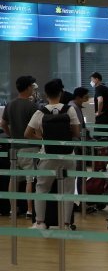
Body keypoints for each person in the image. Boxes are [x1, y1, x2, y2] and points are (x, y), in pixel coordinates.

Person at [25, 79, 81, 229]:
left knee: (42, 188)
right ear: (61, 93)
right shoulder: (70, 110)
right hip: (68, 155)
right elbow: (76, 132)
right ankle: (66, 224)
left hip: (47, 155)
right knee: (68, 191)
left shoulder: (40, 112)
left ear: (46, 94)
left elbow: (27, 133)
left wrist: (43, 138)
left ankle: (40, 223)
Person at [1, 75, 39, 217]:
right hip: (29, 147)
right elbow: (36, 128)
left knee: (13, 178)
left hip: (14, 147)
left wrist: (11, 135)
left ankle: (12, 209)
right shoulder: (32, 106)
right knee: (30, 179)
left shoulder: (10, 104)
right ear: (28, 87)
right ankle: (30, 210)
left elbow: (3, 124)